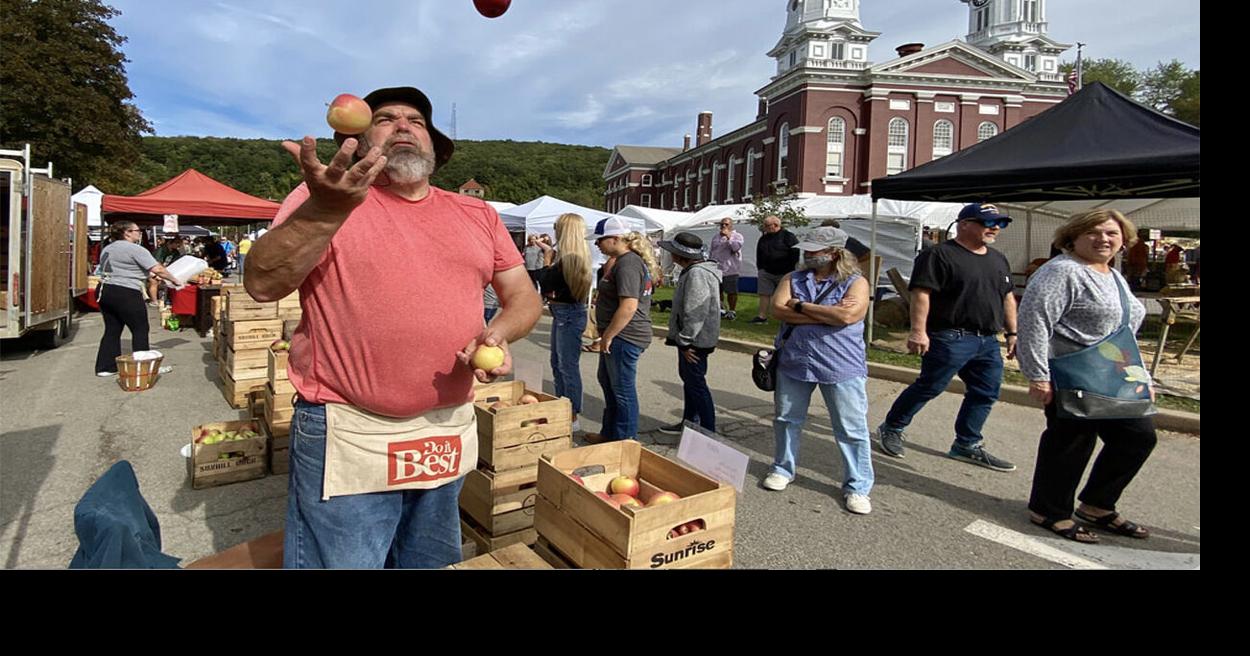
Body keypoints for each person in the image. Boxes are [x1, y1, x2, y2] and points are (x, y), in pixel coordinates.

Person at [244, 86, 541, 569]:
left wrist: (500, 333)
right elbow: (261, 283)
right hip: (350, 427)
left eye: (416, 121)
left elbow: (524, 297)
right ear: (359, 142)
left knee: (428, 562)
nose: (403, 125)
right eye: (384, 119)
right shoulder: (324, 199)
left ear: (433, 146)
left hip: (443, 429)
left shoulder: (476, 213)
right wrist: (325, 209)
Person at [1018, 209, 1157, 543]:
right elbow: (1034, 322)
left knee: (1137, 437)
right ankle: (1049, 510)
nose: (1104, 239)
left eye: (1112, 233)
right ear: (1073, 237)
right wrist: (1038, 375)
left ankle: (1097, 505)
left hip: (1114, 375)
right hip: (1072, 372)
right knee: (1071, 443)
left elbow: (1123, 331)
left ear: (1124, 240)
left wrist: (1144, 378)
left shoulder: (1112, 274)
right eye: (1093, 232)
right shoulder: (1063, 271)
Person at [876, 203, 1019, 472]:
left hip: (987, 340)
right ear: (964, 224)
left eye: (1000, 223)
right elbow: (921, 294)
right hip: (950, 336)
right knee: (930, 386)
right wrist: (918, 331)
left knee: (986, 392)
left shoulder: (998, 258)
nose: (995, 228)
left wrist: (1012, 332)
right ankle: (892, 427)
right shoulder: (939, 255)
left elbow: (1007, 297)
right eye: (988, 223)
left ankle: (967, 444)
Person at [761, 227, 874, 515]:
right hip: (796, 361)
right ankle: (782, 469)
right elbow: (777, 309)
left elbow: (848, 315)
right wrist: (826, 313)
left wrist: (800, 306)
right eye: (807, 250)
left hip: (841, 364)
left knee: (850, 428)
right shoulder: (792, 278)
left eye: (815, 250)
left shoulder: (856, 282)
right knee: (786, 419)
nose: (808, 254)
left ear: (835, 252)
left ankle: (858, 486)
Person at [583, 216, 658, 444]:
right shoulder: (622, 262)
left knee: (622, 389)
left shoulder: (628, 264)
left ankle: (625, 442)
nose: (597, 244)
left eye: (600, 240)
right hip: (618, 336)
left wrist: (608, 336)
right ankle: (610, 434)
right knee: (608, 382)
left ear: (615, 239)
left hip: (626, 336)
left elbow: (628, 306)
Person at [94, 221, 184, 376]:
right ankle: (144, 369)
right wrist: (175, 280)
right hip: (126, 291)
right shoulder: (135, 249)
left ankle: (105, 367)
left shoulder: (108, 248)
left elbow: (126, 267)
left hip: (105, 290)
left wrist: (151, 274)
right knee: (140, 328)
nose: (139, 233)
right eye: (137, 230)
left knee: (112, 329)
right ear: (127, 233)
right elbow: (158, 268)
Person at [657, 232, 721, 434]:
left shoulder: (697, 274)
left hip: (695, 340)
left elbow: (696, 310)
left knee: (696, 384)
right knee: (690, 382)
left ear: (680, 255)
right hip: (694, 338)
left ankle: (707, 430)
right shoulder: (694, 271)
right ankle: (689, 422)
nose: (671, 256)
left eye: (673, 253)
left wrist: (685, 341)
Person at [536, 213, 593, 433]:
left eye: (556, 227)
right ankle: (563, 405)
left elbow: (546, 281)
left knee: (567, 366)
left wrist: (547, 258)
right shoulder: (573, 256)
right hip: (564, 312)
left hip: (568, 313)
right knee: (558, 363)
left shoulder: (568, 259)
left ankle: (572, 414)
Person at [751, 214, 799, 324]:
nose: (765, 228)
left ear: (776, 225)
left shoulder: (788, 236)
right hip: (766, 271)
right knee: (764, 294)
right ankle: (762, 317)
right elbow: (759, 253)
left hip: (784, 272)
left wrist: (791, 269)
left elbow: (795, 252)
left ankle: (786, 317)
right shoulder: (764, 238)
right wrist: (760, 268)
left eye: (767, 225)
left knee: (785, 295)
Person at [708, 217, 743, 321]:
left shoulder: (737, 236)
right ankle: (721, 309)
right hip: (716, 268)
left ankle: (732, 311)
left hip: (730, 269)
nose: (724, 226)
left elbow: (736, 248)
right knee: (717, 291)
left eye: (726, 224)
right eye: (722, 224)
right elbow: (712, 251)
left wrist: (728, 236)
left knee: (731, 292)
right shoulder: (716, 237)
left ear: (731, 225)